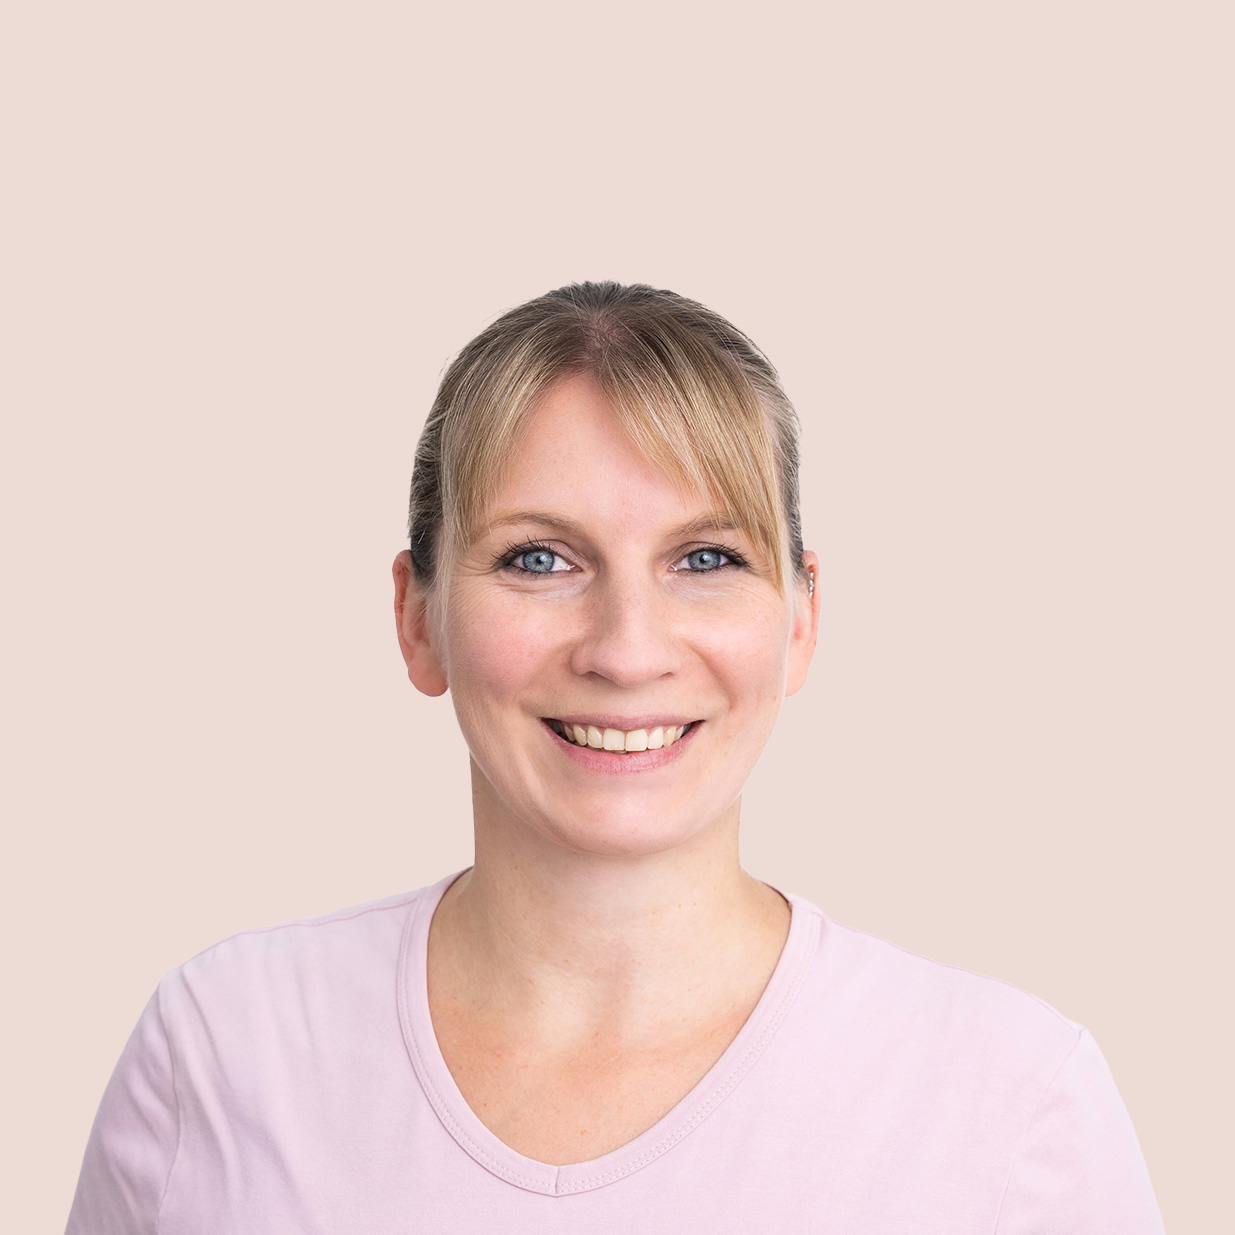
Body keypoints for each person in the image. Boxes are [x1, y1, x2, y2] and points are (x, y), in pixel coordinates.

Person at [66, 282, 1164, 1232]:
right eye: (539, 558)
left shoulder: (1013, 1104)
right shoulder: (222, 1050)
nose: (626, 649)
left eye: (705, 557)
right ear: (415, 617)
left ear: (800, 620)